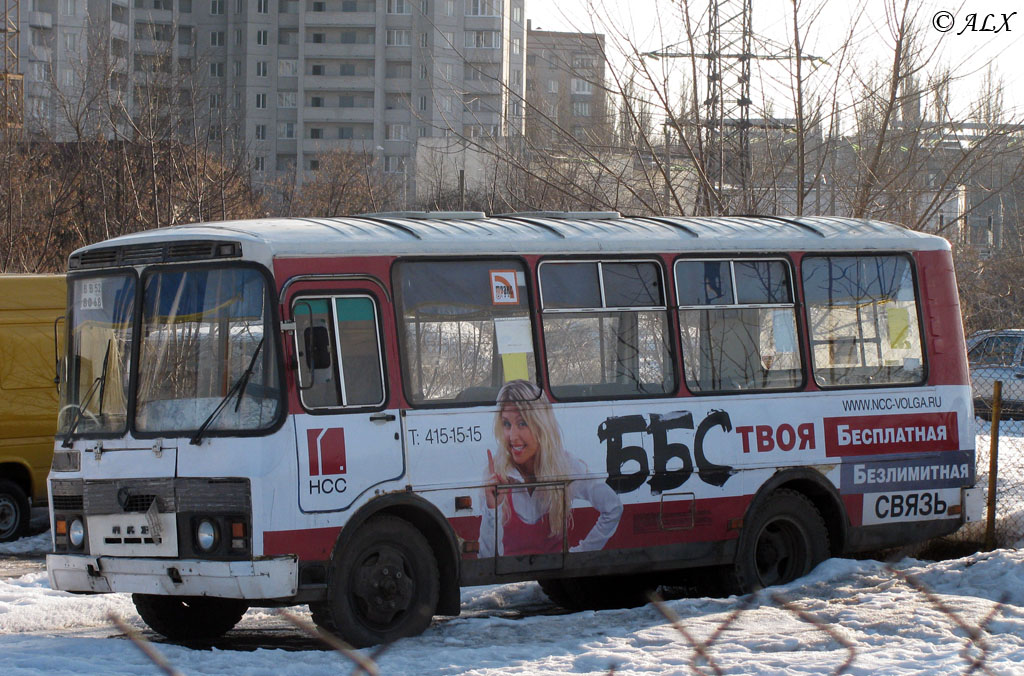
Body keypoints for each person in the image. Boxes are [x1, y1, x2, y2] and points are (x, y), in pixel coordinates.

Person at [478, 380, 622, 558]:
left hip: (556, 583)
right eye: (506, 424)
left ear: (541, 424)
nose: (512, 436)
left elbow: (613, 507)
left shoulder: (565, 466)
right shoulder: (495, 474)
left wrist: (579, 556)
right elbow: (486, 559)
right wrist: (493, 509)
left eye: (522, 423)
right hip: (515, 585)